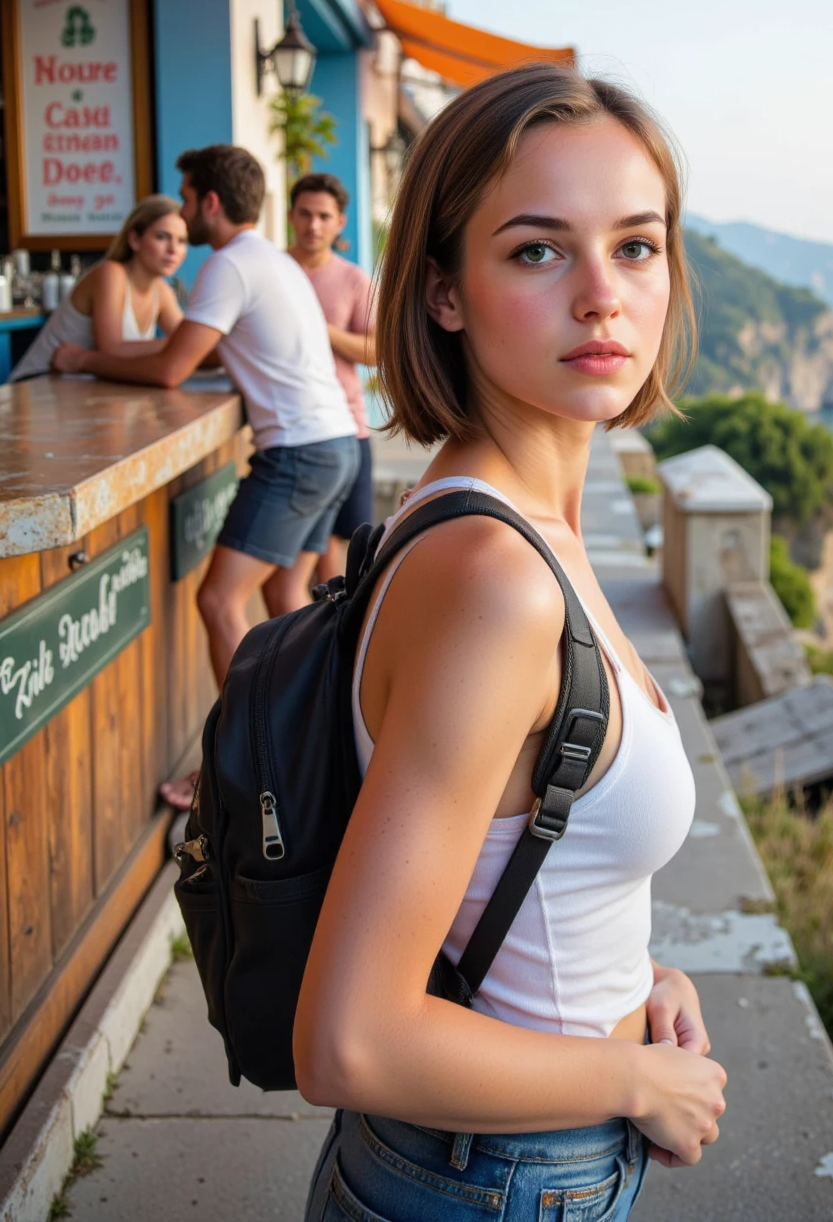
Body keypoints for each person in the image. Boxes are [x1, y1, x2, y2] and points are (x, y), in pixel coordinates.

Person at [293, 65, 727, 1221]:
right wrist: (635, 1074)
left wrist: (635, 984)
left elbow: (513, 866)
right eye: (538, 251)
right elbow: (349, 1039)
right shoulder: (495, 580)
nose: (602, 296)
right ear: (444, 293)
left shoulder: (510, 522)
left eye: (636, 246)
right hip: (499, 1184)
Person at [52, 145, 359, 806]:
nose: (183, 212)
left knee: (219, 602)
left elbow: (170, 369)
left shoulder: (226, 264)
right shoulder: (271, 261)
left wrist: (82, 358)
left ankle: (248, 777)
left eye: (187, 199)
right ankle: (317, 750)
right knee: (285, 604)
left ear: (210, 203)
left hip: (300, 453)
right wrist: (98, 355)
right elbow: (190, 352)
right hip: (334, 444)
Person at [288, 172, 377, 583]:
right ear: (290, 215)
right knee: (307, 553)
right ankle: (323, 635)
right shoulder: (275, 272)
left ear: (340, 222)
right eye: (305, 214)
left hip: (347, 426)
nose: (313, 225)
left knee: (343, 549)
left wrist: (320, 328)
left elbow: (377, 352)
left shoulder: (353, 279)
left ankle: (334, 635)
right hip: (289, 431)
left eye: (324, 216)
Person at [10, 196, 186, 380]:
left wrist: (185, 346)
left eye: (181, 241)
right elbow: (112, 349)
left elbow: (189, 345)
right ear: (134, 239)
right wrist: (175, 345)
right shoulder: (111, 274)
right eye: (162, 237)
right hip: (39, 382)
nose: (173, 249)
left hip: (83, 388)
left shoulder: (162, 291)